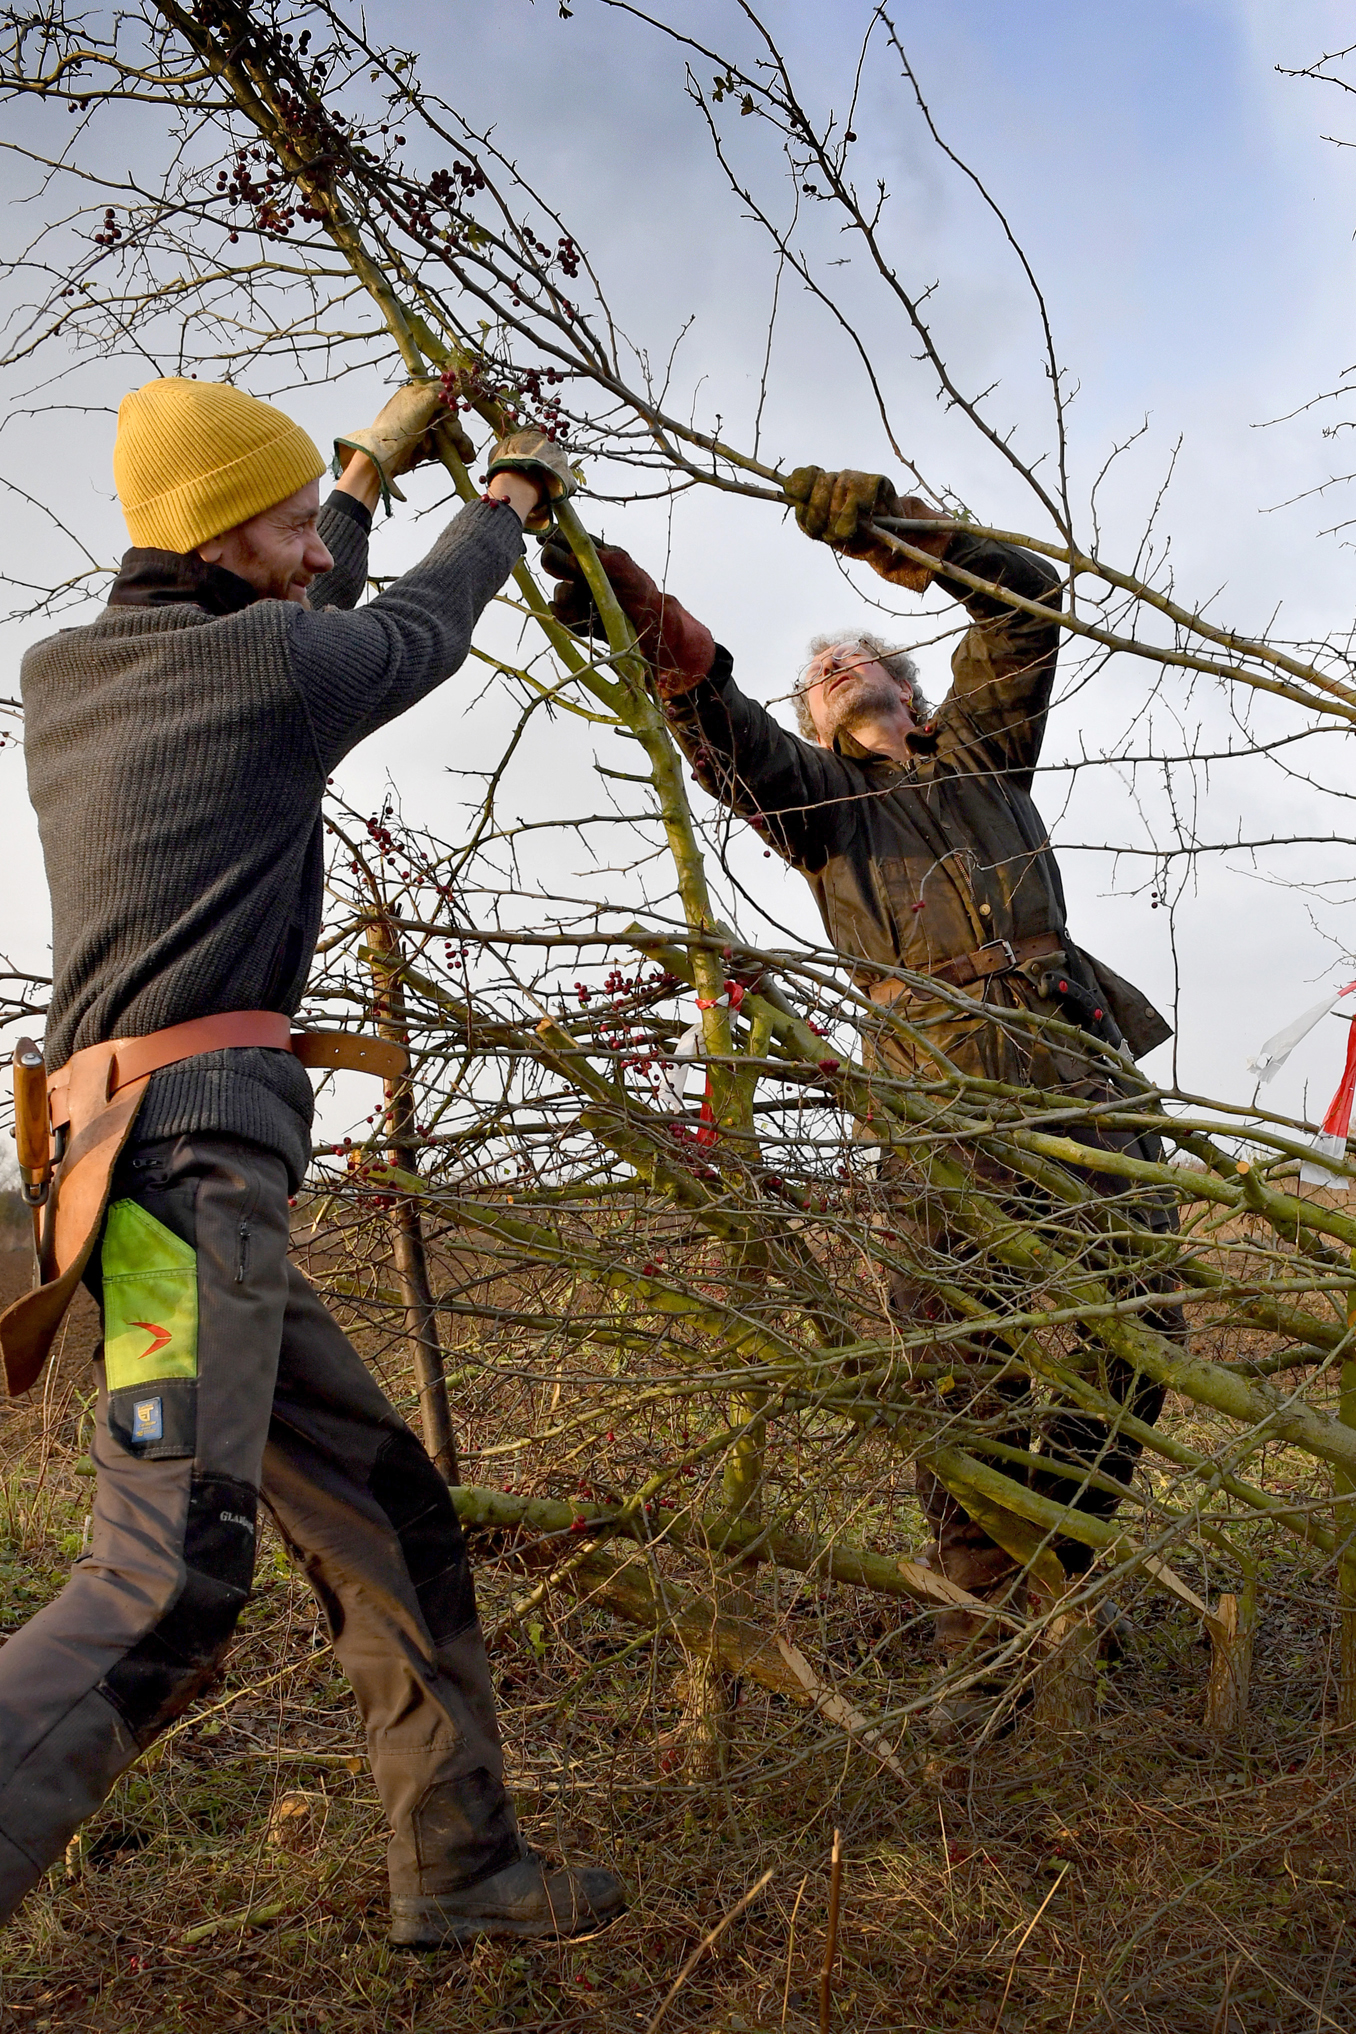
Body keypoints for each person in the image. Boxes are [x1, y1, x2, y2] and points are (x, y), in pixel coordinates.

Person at [0, 375, 623, 1945]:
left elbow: (290, 599)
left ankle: (463, 1866)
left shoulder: (69, 676)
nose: (309, 553)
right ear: (219, 541)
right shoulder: (271, 658)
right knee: (167, 1574)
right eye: (281, 529)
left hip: (149, 1167)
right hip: (183, 1183)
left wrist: (346, 477)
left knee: (379, 1502)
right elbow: (403, 633)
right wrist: (509, 502)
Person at [540, 468, 1182, 1681]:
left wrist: (911, 540)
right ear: (817, 722)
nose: (833, 665)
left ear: (906, 684)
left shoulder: (985, 757)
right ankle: (984, 1644)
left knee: (1140, 1333)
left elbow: (1024, 612)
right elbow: (721, 728)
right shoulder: (820, 805)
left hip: (1077, 1071)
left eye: (857, 657)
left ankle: (1059, 1552)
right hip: (936, 1106)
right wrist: (646, 623)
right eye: (814, 673)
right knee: (962, 1373)